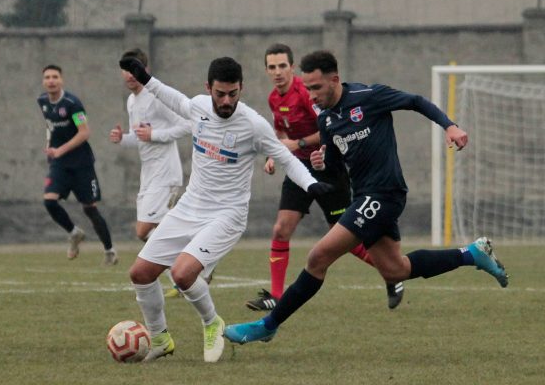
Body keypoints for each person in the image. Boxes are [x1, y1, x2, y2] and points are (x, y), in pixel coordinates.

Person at [224, 50, 509, 345]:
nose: (311, 96)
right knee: (395, 269)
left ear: (334, 80)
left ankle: (268, 325)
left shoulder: (368, 96)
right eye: (308, 88)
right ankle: (472, 254)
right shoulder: (326, 121)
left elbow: (415, 101)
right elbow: (335, 165)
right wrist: (323, 162)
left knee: (318, 257)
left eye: (317, 87)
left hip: (385, 193)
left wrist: (449, 125)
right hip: (364, 195)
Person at [119, 55, 335, 363]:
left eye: (233, 93)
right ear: (209, 88)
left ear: (241, 89)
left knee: (182, 274)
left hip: (227, 215)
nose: (226, 100)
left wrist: (311, 185)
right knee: (140, 273)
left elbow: (285, 158)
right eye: (220, 93)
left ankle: (212, 323)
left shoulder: (253, 124)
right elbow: (172, 97)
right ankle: (160, 338)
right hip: (190, 206)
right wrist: (144, 77)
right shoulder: (198, 107)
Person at [246, 43, 403, 311]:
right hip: (298, 171)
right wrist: (275, 154)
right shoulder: (275, 98)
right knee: (281, 229)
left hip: (328, 169)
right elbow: (281, 137)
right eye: (272, 67)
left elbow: (329, 130)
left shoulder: (309, 94)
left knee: (346, 239)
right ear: (266, 71)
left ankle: (393, 274)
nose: (277, 72)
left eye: (282, 66)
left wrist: (299, 145)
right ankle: (275, 295)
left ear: (292, 68)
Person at [109, 48, 193, 297]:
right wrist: (122, 139)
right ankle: (188, 270)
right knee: (154, 231)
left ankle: (194, 263)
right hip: (149, 175)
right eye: (126, 70)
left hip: (166, 173)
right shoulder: (132, 101)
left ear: (145, 71)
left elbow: (187, 125)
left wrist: (155, 134)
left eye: (135, 70)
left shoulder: (156, 96)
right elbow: (140, 139)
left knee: (143, 230)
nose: (129, 75)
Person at [38, 65, 117, 265]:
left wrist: (59, 150)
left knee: (90, 208)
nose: (51, 80)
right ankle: (74, 233)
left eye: (55, 76)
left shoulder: (73, 104)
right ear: (43, 81)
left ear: (61, 80)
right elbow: (50, 126)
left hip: (82, 164)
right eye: (47, 77)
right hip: (60, 165)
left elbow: (84, 132)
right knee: (49, 201)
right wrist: (49, 147)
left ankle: (109, 250)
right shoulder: (43, 102)